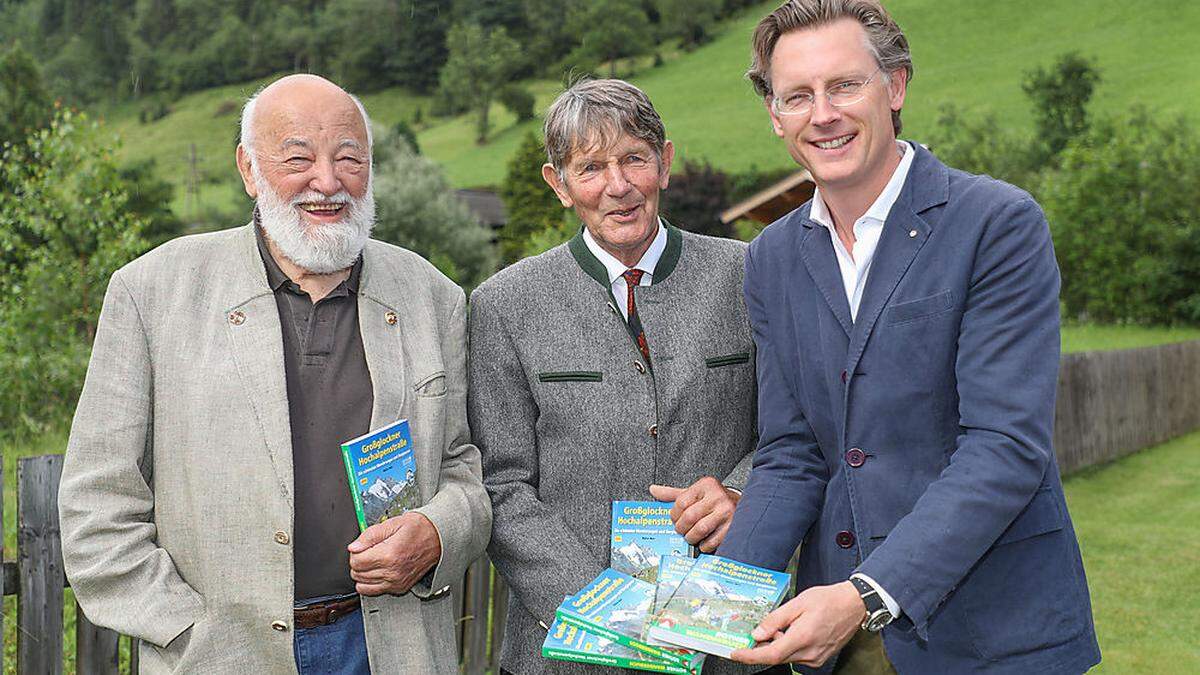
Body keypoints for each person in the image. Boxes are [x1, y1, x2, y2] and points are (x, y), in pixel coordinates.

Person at [58, 74, 491, 674]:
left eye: (349, 158)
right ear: (248, 169)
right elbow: (97, 507)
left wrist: (439, 532)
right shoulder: (152, 292)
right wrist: (187, 632)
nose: (327, 182)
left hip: (393, 651)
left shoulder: (433, 297)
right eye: (298, 158)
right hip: (221, 655)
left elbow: (462, 469)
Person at [715, 2, 1102, 674]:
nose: (823, 114)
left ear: (894, 87)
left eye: (844, 85)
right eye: (798, 96)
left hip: (992, 633)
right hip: (837, 641)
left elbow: (1005, 445)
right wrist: (712, 601)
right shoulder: (771, 258)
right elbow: (792, 452)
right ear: (775, 116)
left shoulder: (996, 223)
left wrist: (865, 592)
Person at [469, 78, 778, 675]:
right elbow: (501, 484)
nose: (618, 186)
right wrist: (605, 607)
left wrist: (741, 492)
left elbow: (792, 432)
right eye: (590, 168)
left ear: (665, 163)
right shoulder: (505, 304)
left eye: (634, 158)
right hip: (565, 653)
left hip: (728, 641)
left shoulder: (750, 276)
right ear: (558, 185)